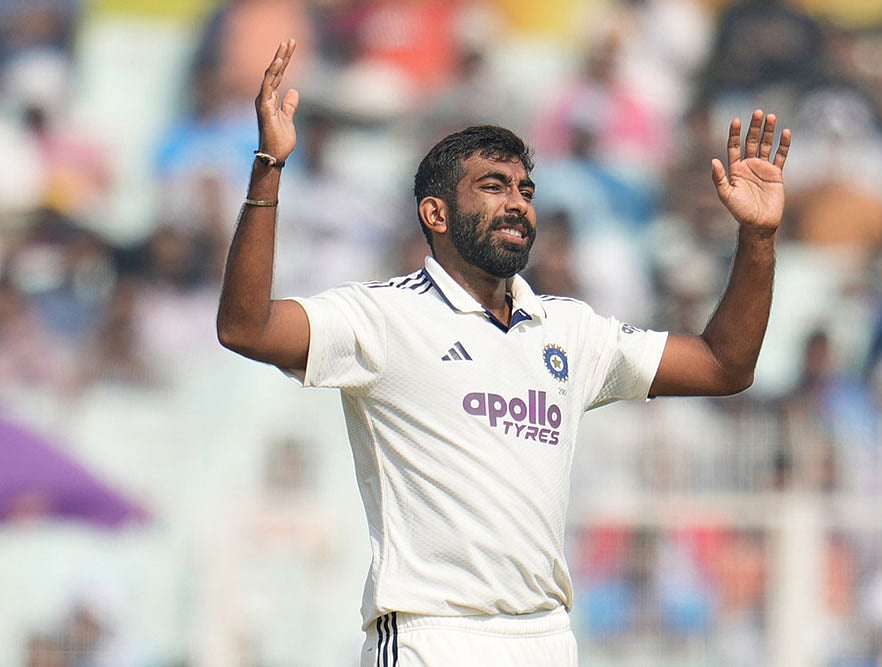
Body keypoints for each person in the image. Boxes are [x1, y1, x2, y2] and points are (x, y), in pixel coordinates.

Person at [216, 39, 791, 667]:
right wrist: (268, 166)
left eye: (525, 188)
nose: (518, 201)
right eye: (493, 186)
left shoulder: (570, 330)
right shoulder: (384, 316)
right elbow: (247, 328)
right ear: (435, 213)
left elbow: (724, 366)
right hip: (432, 635)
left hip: (545, 637)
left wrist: (758, 238)